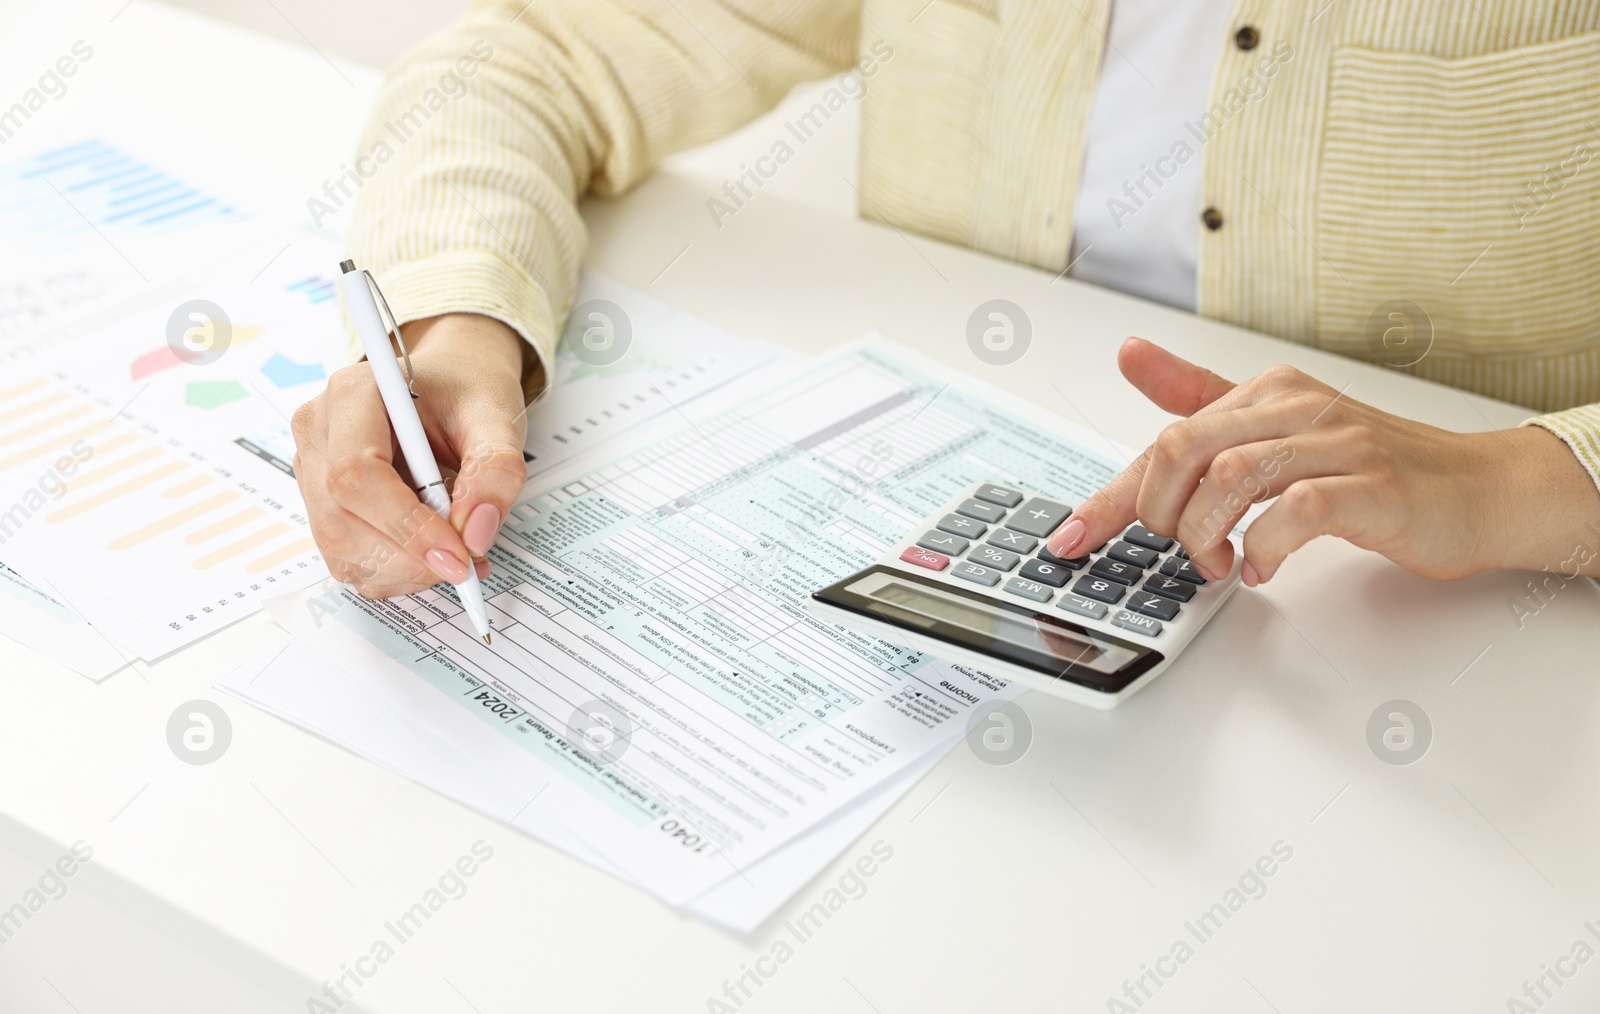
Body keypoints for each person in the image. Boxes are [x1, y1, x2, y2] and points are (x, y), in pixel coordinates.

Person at [291, 0, 1600, 598]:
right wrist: (458, 331)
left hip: (1442, 649)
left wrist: (1524, 483)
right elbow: (537, 53)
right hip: (948, 591)